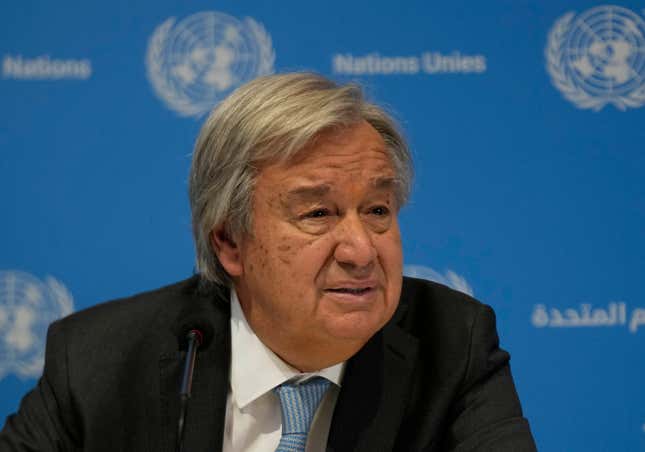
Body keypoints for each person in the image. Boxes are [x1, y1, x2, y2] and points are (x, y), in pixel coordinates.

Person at [0, 72, 537, 451]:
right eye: (318, 213)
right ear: (231, 243)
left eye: (377, 209)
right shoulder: (99, 362)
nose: (361, 250)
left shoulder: (454, 344)